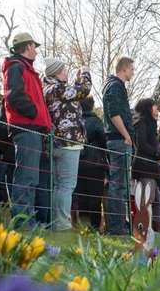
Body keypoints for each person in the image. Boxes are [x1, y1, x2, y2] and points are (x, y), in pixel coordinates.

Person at [2, 32, 51, 224]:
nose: (37, 50)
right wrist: (34, 113)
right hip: (26, 127)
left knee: (31, 177)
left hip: (32, 127)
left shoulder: (25, 68)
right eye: (35, 46)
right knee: (26, 176)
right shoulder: (16, 67)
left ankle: (27, 219)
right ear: (28, 46)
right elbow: (15, 96)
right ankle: (23, 221)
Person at [43, 59, 92, 232]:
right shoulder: (57, 89)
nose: (67, 73)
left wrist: (78, 80)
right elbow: (83, 91)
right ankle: (63, 224)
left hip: (56, 143)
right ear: (56, 73)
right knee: (67, 186)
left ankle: (57, 223)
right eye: (64, 70)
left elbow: (74, 92)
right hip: (67, 142)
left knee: (59, 186)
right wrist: (85, 73)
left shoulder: (50, 89)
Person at [102, 56, 135, 235]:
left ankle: (120, 225)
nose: (132, 72)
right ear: (124, 69)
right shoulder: (114, 86)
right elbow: (114, 112)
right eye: (131, 69)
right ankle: (115, 228)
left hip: (119, 138)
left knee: (120, 185)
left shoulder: (115, 86)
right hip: (119, 140)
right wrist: (126, 135)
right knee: (118, 184)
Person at [131, 97, 160, 252]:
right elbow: (142, 143)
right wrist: (156, 154)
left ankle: (151, 230)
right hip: (144, 165)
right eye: (155, 105)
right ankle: (145, 230)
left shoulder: (151, 123)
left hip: (150, 165)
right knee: (145, 199)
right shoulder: (142, 123)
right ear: (148, 107)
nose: (157, 108)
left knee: (153, 198)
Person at [75, 97, 106, 231]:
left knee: (82, 197)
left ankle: (84, 226)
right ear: (92, 106)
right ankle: (94, 226)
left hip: (79, 162)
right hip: (95, 163)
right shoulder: (96, 121)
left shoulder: (76, 121)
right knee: (95, 197)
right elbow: (104, 141)